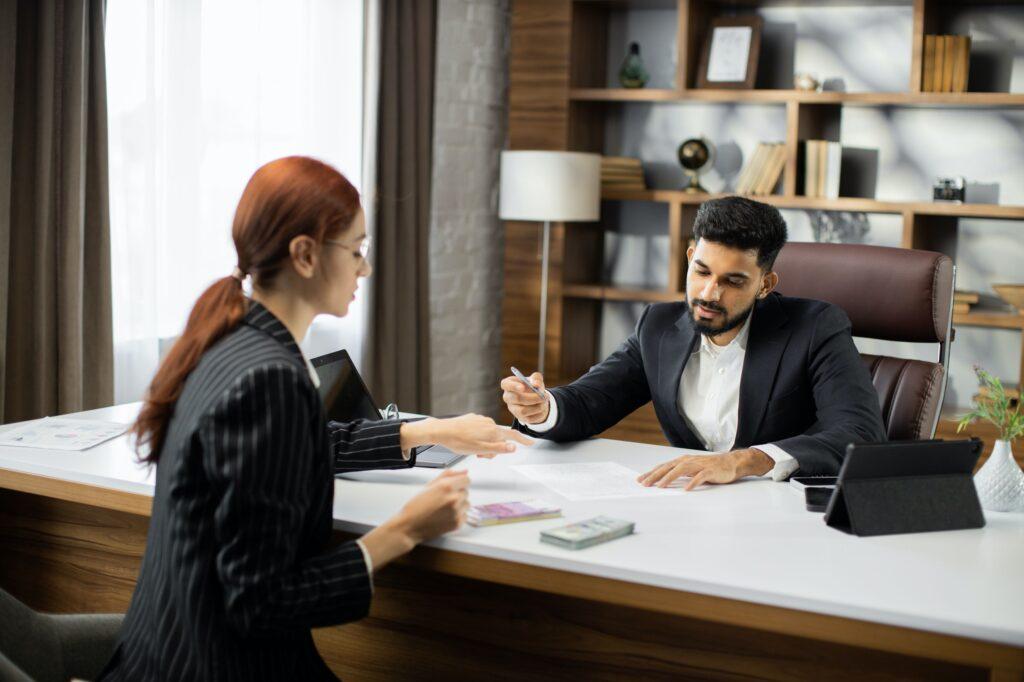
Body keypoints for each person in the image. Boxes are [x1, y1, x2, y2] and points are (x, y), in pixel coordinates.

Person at [100, 156, 532, 681]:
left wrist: (430, 430)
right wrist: (403, 530)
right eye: (357, 251)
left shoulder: (231, 339)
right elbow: (259, 604)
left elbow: (304, 445)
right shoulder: (272, 378)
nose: (365, 269)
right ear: (305, 255)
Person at [501, 196, 884, 490]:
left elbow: (860, 433)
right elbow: (590, 402)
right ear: (689, 258)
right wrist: (542, 408)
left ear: (765, 284)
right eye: (701, 271)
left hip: (783, 513)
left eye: (733, 282)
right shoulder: (659, 325)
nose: (709, 293)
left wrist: (744, 461)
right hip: (692, 502)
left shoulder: (815, 326)